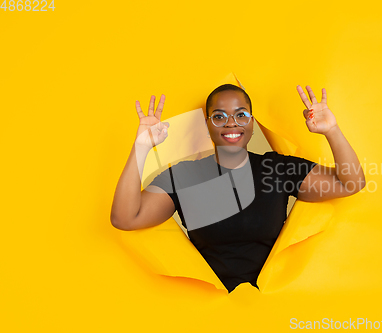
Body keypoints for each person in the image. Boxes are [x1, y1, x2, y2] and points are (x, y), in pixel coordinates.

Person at [110, 83, 366, 292]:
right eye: (219, 116)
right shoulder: (184, 176)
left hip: (274, 303)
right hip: (210, 309)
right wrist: (141, 147)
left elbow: (351, 182)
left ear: (252, 123)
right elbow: (125, 217)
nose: (231, 123)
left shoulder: (276, 169)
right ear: (208, 124)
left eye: (240, 114)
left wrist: (332, 130)